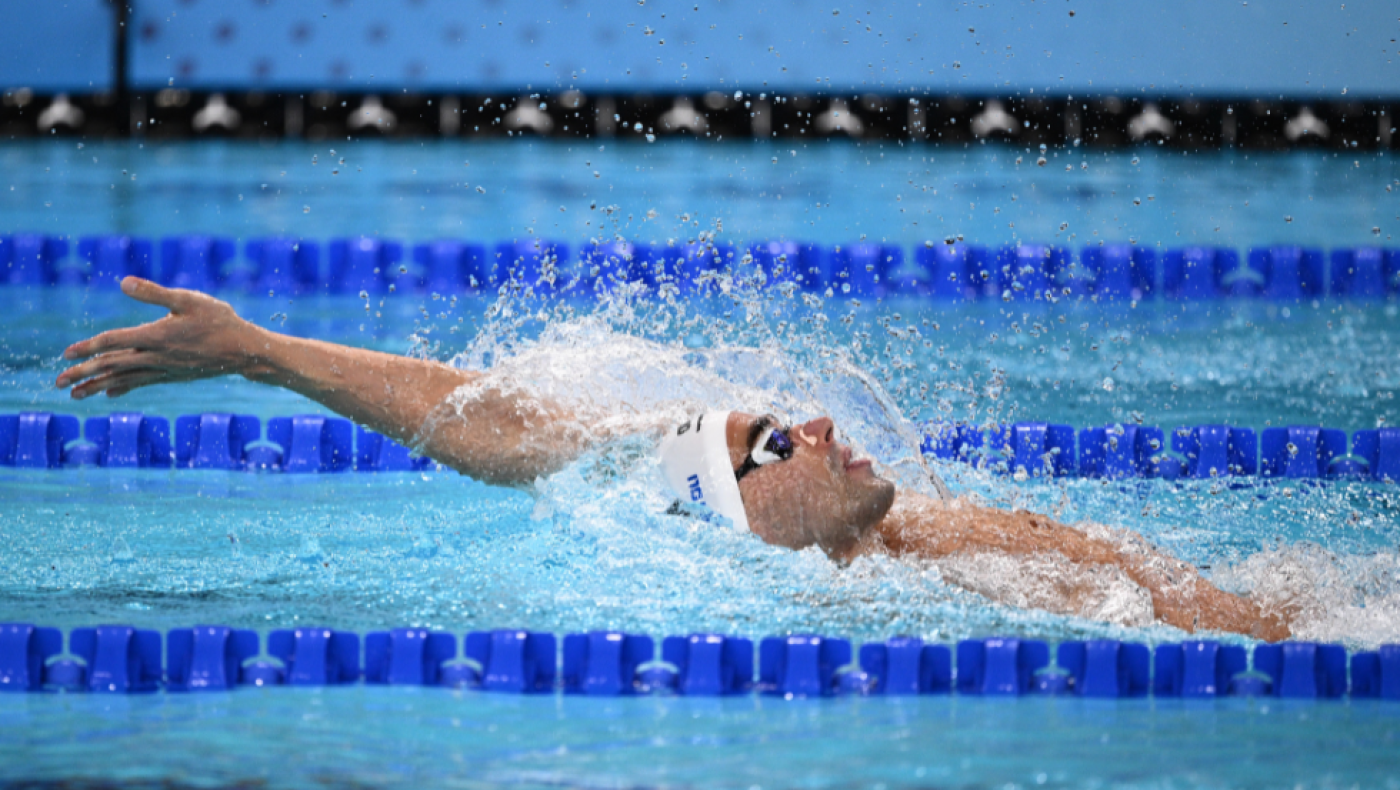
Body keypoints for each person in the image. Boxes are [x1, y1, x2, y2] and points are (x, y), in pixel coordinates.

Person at [56, 277, 1292, 641]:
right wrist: (261, 356)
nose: (809, 424)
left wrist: (266, 349)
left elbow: (515, 425)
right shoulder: (898, 599)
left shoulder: (895, 547)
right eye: (771, 444)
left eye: (785, 424)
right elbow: (504, 440)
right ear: (743, 522)